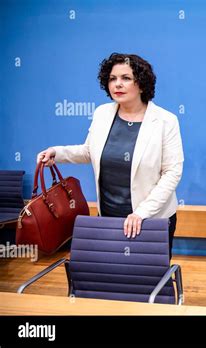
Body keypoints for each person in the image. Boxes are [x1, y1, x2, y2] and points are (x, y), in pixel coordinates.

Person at [37, 53, 184, 257]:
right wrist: (57, 152)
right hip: (108, 218)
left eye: (125, 78)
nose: (117, 84)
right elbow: (89, 151)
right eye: (112, 79)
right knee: (111, 278)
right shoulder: (102, 113)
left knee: (147, 283)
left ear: (141, 83)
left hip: (152, 219)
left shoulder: (166, 120)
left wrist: (141, 213)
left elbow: (172, 173)